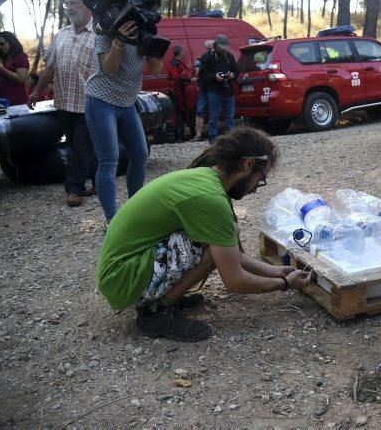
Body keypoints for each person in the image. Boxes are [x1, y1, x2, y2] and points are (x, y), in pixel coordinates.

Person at [95, 126, 312, 342]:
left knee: (222, 238)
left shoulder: (206, 178)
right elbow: (235, 280)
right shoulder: (211, 199)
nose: (256, 187)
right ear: (247, 164)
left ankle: (165, 296)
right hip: (122, 277)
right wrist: (284, 285)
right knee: (212, 246)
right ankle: (156, 313)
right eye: (260, 178)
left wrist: (276, 272)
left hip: (124, 269)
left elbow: (232, 253)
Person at [84, 0, 164, 225]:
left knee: (140, 155)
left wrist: (154, 47)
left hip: (128, 102)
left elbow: (156, 69)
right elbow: (109, 69)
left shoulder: (145, 29)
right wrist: (119, 40)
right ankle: (112, 220)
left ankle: (135, 210)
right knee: (109, 160)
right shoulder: (105, 27)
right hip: (101, 100)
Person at [28, 0, 97, 207]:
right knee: (79, 145)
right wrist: (36, 91)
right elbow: (50, 68)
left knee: (81, 146)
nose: (68, 7)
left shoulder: (100, 33)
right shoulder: (62, 34)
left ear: (86, 6)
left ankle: (74, 189)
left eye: (73, 3)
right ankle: (95, 181)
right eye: (66, 4)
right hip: (65, 101)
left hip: (91, 103)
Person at [198, 34, 237, 144]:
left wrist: (232, 75)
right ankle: (213, 140)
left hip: (228, 90)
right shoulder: (207, 57)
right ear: (216, 45)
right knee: (214, 116)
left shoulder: (229, 56)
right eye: (221, 48)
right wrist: (214, 76)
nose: (223, 50)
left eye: (225, 48)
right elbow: (202, 74)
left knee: (230, 116)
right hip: (214, 90)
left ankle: (233, 140)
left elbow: (236, 71)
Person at [0, 31, 29, 105]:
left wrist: (0, 68)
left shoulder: (20, 57)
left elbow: (21, 78)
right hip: (2, 101)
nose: (0, 47)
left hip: (16, 102)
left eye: (2, 43)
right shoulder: (5, 59)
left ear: (11, 41)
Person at [166, 45, 193, 141]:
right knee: (178, 116)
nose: (185, 53)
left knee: (182, 114)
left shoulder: (179, 63)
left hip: (181, 93)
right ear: (180, 53)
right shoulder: (173, 64)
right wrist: (186, 77)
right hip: (176, 94)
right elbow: (176, 78)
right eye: (183, 52)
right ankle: (178, 137)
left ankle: (183, 136)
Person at [191, 40, 212, 142]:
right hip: (204, 88)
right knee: (200, 111)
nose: (209, 51)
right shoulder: (200, 60)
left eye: (211, 48)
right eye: (208, 49)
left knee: (214, 111)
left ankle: (213, 133)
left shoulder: (218, 59)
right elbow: (197, 72)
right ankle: (198, 135)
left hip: (214, 88)